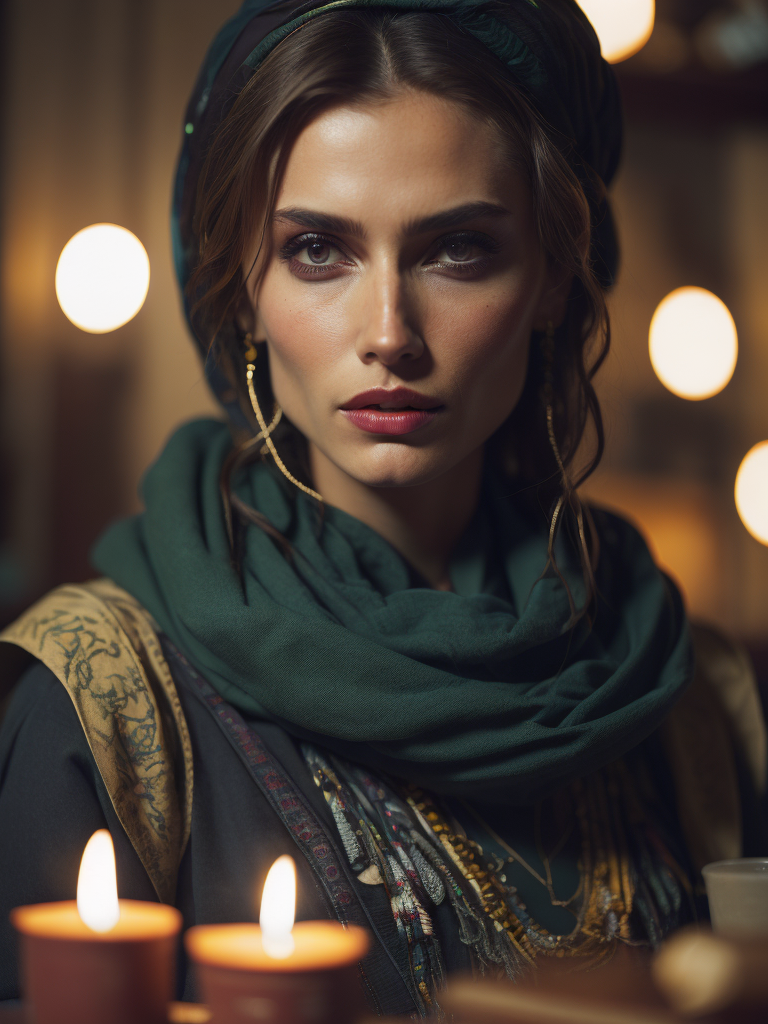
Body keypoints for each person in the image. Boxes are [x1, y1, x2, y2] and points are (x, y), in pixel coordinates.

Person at [1, 0, 765, 1015]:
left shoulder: (686, 688)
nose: (390, 331)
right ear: (242, 289)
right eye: (319, 250)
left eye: (459, 250)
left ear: (551, 276)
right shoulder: (98, 702)